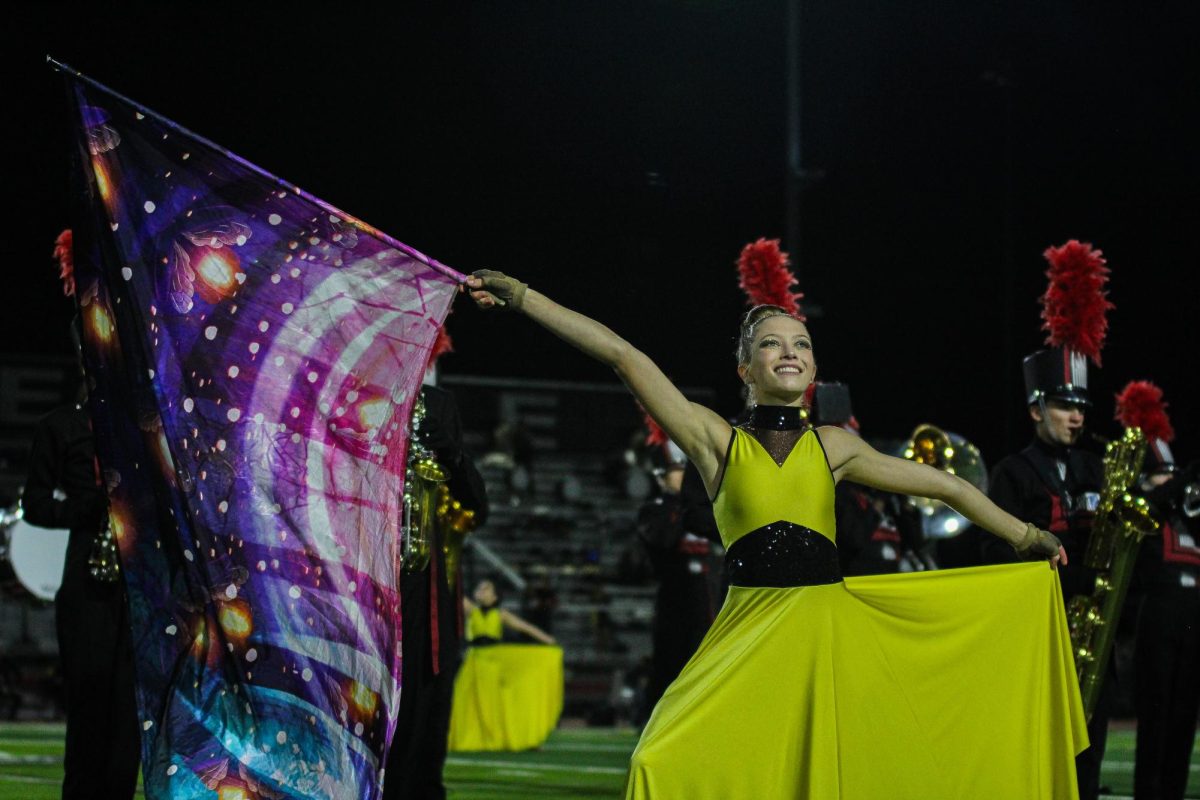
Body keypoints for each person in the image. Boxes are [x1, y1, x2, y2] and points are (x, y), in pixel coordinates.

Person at [466, 270, 1085, 799]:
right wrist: (522, 297)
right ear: (745, 367)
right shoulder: (716, 441)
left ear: (813, 365)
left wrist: (1029, 536)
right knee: (657, 759)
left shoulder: (834, 446)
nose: (788, 352)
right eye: (770, 345)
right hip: (748, 631)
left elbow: (944, 487)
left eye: (801, 344)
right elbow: (623, 356)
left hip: (828, 634)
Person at [23, 398, 141, 800]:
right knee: (89, 712)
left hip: (139, 587)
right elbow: (34, 506)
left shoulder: (142, 423)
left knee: (128, 721)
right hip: (86, 584)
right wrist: (88, 509)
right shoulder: (61, 425)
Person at [382, 380, 489, 800]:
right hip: (366, 579)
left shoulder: (437, 405)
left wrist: (452, 454)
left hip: (424, 591)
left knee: (423, 717)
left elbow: (476, 506)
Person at [1117, 382, 1200, 800]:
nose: (1170, 480)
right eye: (1161, 474)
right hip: (1156, 628)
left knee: (1185, 719)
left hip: (1192, 632)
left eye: (1171, 472)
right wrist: (1182, 477)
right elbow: (1144, 505)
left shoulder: (1187, 517)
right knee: (1156, 718)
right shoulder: (1141, 508)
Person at [633, 431, 718, 724]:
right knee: (668, 667)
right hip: (674, 601)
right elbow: (663, 540)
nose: (683, 476)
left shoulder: (700, 510)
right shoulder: (654, 511)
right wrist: (682, 507)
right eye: (677, 471)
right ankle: (651, 722)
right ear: (661, 477)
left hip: (706, 603)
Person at [447, 579, 561, 751]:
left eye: (486, 588)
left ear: (494, 596)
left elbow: (526, 628)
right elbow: (452, 592)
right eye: (480, 587)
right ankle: (465, 737)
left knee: (494, 704)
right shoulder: (472, 610)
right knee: (462, 700)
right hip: (473, 660)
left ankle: (513, 738)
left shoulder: (501, 614)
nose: (481, 590)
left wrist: (548, 640)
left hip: (493, 661)